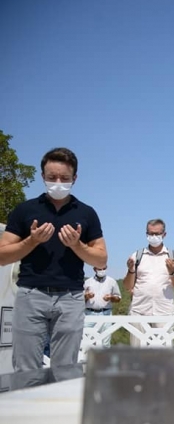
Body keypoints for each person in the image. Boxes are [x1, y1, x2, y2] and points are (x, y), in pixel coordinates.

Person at [0, 147, 107, 376]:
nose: (58, 182)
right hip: (31, 295)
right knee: (26, 370)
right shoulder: (25, 210)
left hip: (71, 298)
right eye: (52, 178)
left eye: (64, 178)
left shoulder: (87, 213)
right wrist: (32, 241)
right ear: (43, 177)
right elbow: (2, 256)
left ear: (74, 179)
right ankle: (28, 411)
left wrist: (76, 245)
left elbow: (101, 258)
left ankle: (60, 413)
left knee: (65, 370)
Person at [123, 219, 174, 346]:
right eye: (150, 233)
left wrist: (172, 272)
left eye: (157, 233)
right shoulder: (137, 255)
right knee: (137, 353)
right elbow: (127, 286)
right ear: (146, 234)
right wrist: (130, 270)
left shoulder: (173, 256)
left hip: (164, 312)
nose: (154, 237)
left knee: (163, 354)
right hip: (139, 311)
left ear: (164, 235)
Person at [83, 266, 121, 348]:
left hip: (106, 313)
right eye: (100, 269)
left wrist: (111, 297)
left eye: (104, 268)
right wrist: (87, 296)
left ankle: (104, 360)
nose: (102, 271)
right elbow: (80, 299)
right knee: (87, 341)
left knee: (106, 342)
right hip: (90, 313)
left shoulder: (112, 282)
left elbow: (118, 298)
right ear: (94, 269)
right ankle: (87, 360)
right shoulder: (88, 282)